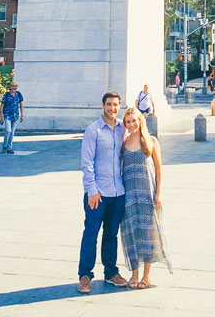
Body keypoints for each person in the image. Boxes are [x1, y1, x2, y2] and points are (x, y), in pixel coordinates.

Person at [78, 91, 128, 295]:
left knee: (111, 235)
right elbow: (86, 163)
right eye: (109, 104)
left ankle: (111, 272)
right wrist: (91, 190)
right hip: (97, 194)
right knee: (90, 234)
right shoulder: (93, 130)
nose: (112, 108)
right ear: (103, 106)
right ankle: (85, 275)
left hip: (118, 193)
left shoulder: (121, 129)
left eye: (116, 105)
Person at [121, 106, 172, 289]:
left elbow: (158, 168)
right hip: (129, 195)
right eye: (128, 121)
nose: (131, 124)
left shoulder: (151, 141)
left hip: (147, 194)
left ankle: (146, 275)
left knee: (148, 234)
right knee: (132, 233)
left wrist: (158, 193)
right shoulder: (124, 142)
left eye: (134, 120)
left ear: (140, 121)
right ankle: (134, 273)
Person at [0, 81, 24, 154]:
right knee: (8, 130)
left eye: (16, 86)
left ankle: (9, 148)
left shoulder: (18, 94)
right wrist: (1, 117)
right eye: (13, 86)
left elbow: (21, 104)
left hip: (15, 115)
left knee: (12, 132)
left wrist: (22, 115)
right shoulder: (6, 95)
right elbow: (2, 106)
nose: (15, 87)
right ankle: (4, 146)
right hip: (7, 115)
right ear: (10, 86)